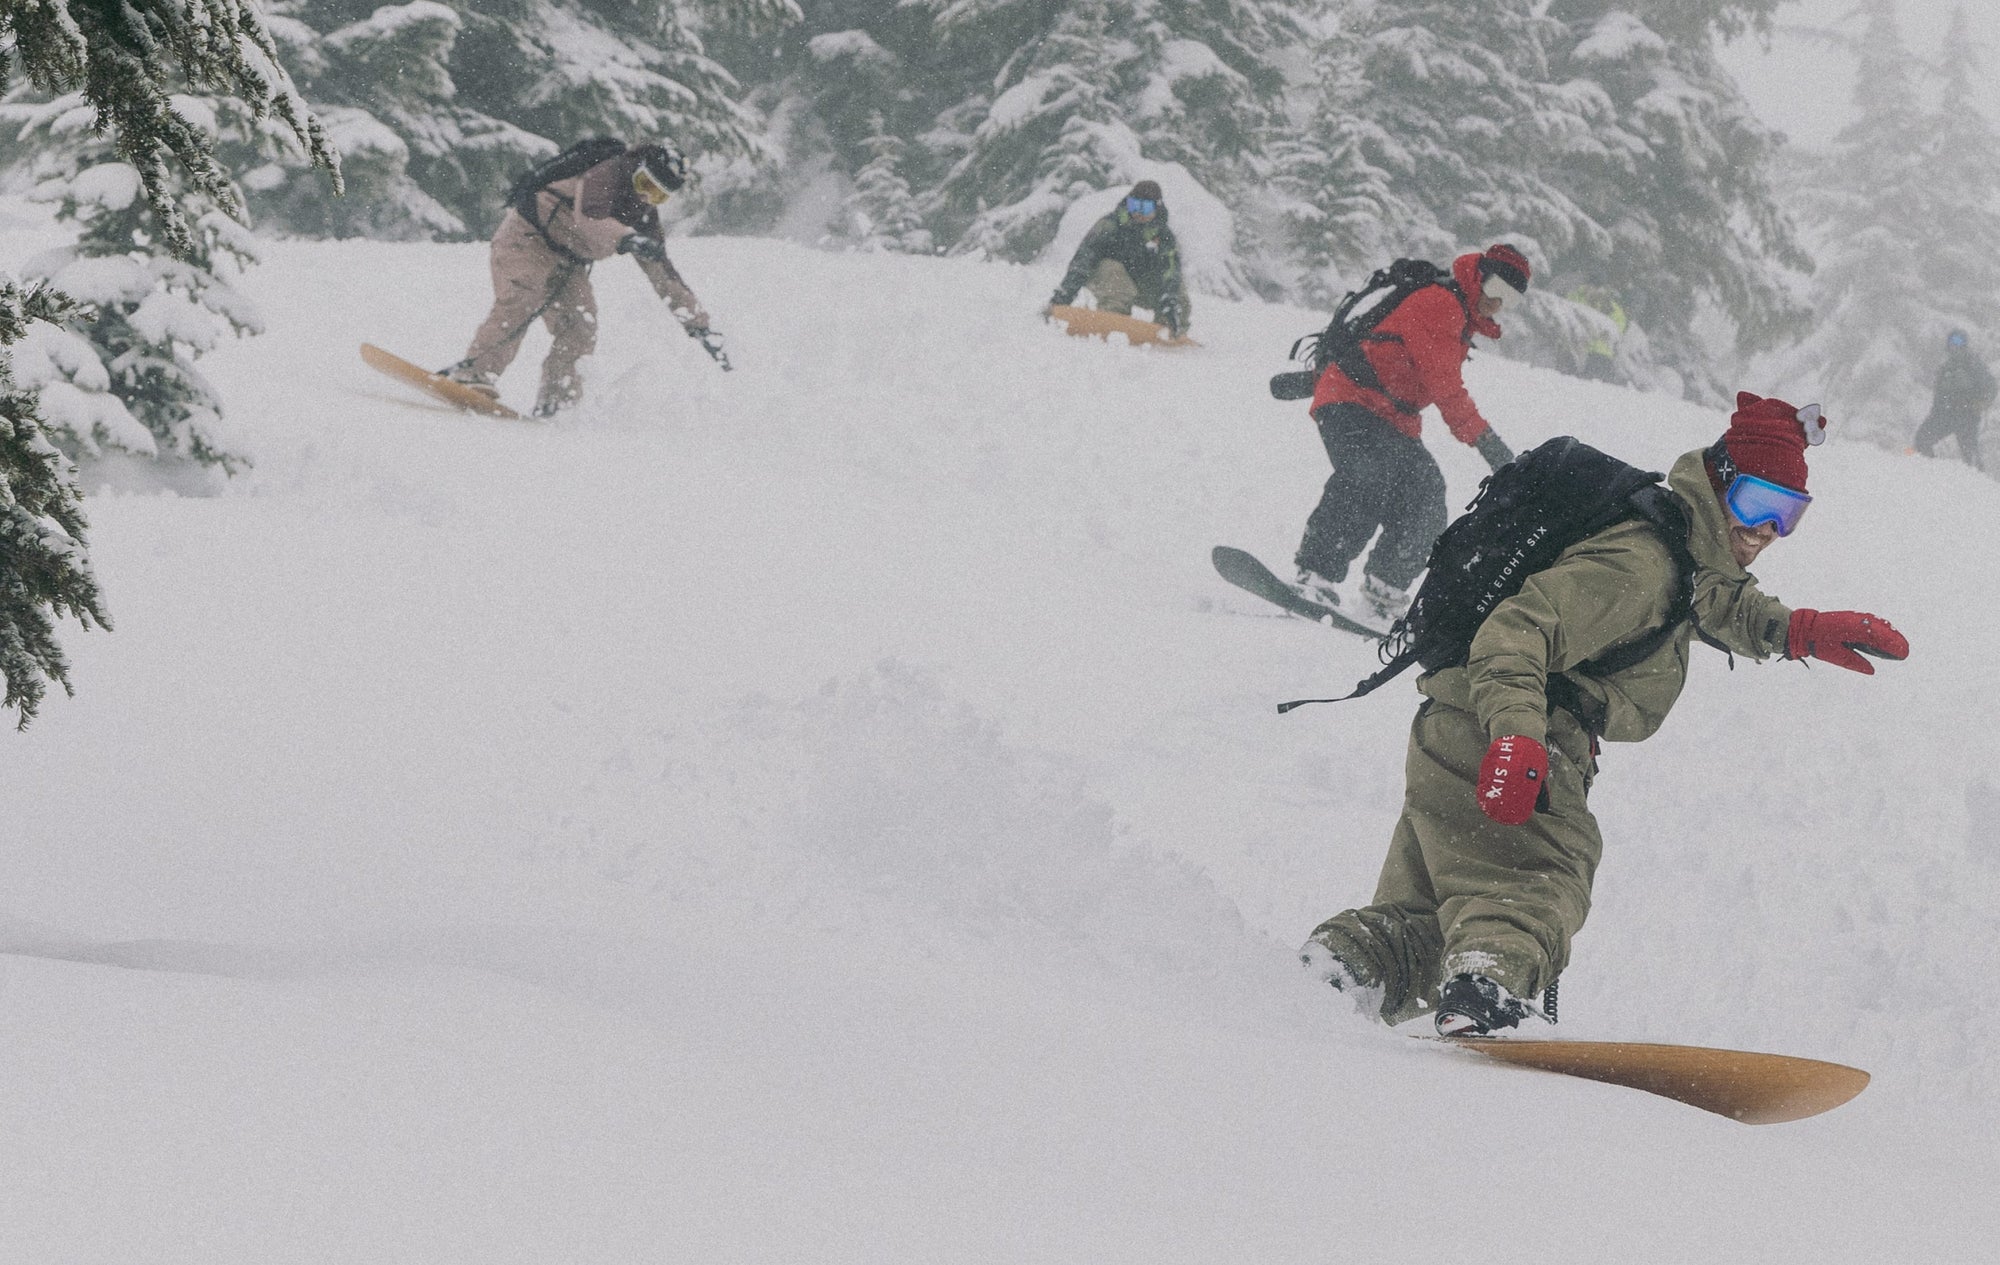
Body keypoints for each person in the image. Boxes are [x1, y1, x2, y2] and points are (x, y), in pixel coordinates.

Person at [1299, 393, 1911, 1036]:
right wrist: (1516, 738)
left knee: (1427, 917)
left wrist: (1801, 631)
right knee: (1538, 883)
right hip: (1513, 727)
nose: (1767, 532)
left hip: (1452, 727)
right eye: (1758, 504)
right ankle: (1485, 996)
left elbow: (1712, 601)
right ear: (1719, 484)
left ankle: (1335, 976)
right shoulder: (1643, 563)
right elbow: (1516, 631)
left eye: (1789, 515)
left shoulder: (1677, 542)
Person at [1293, 244, 1529, 632]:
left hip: (1393, 419)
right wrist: (1492, 448)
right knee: (1369, 475)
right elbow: (1446, 388)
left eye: (1512, 298)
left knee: (1426, 496)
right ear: (1480, 277)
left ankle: (1384, 592)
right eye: (1498, 287)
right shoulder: (1440, 304)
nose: (1499, 302)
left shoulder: (1461, 320)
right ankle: (1314, 575)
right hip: (1351, 399)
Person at [444, 140, 725, 417]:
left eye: (658, 196)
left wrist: (699, 324)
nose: (646, 198)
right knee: (522, 298)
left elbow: (663, 274)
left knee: (581, 324)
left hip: (569, 261)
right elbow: (587, 216)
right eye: (645, 185)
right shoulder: (608, 173)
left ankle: (558, 401)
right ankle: (473, 373)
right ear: (636, 170)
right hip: (528, 238)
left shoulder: (642, 214)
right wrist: (626, 238)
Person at [1045, 180, 1191, 339]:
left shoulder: (1163, 236)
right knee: (1117, 279)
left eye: (1145, 207)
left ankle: (1169, 331)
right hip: (1107, 277)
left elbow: (1171, 270)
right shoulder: (1110, 226)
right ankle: (1112, 321)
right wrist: (1066, 294)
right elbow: (1083, 259)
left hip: (1140, 282)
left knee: (1179, 295)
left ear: (1157, 208)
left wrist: (1169, 301)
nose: (1139, 212)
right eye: (1135, 205)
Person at [1911, 329, 1995, 470]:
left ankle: (1977, 484)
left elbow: (1990, 386)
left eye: (1959, 341)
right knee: (1922, 439)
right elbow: (1938, 396)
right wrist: (1934, 414)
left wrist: (1980, 404)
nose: (1955, 346)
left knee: (1970, 455)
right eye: (1952, 342)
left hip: (1967, 416)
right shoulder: (1945, 369)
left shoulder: (1973, 365)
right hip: (1944, 415)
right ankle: (1930, 472)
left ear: (1965, 344)